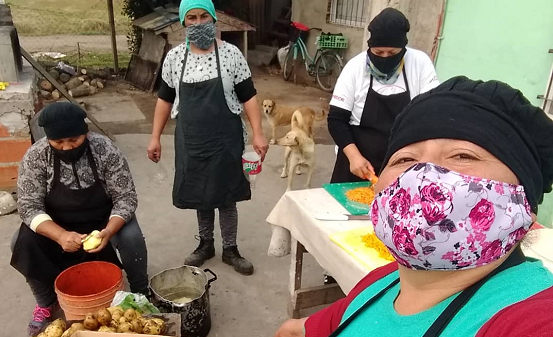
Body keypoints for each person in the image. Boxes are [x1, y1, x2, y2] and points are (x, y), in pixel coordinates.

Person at [273, 76, 553, 337]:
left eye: (463, 156)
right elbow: (295, 330)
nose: (423, 175)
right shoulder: (380, 283)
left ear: (523, 200)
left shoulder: (532, 318)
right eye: (404, 160)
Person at [147, 0, 268, 276]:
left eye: (204, 16)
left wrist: (259, 134)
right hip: (191, 139)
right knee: (200, 193)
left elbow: (248, 95)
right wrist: (154, 137)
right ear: (183, 23)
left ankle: (231, 249)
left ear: (214, 19)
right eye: (191, 18)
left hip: (226, 138)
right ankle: (205, 244)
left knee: (226, 195)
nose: (199, 23)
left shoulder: (231, 55)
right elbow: (164, 99)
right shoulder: (175, 58)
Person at [10, 102, 149, 336]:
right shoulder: (36, 156)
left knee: (132, 236)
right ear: (48, 139)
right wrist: (61, 235)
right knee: (20, 242)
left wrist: (108, 230)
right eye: (58, 143)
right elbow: (28, 205)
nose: (66, 147)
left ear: (85, 132)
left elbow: (126, 197)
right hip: (58, 224)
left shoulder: (105, 149)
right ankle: (45, 302)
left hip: (102, 221)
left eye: (74, 140)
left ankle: (140, 293)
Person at [328, 8, 439, 183]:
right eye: (378, 53)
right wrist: (354, 157)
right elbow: (336, 119)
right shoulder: (355, 67)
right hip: (357, 161)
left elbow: (430, 114)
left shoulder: (420, 63)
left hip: (403, 163)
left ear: (403, 48)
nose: (385, 58)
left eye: (393, 53)